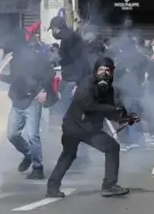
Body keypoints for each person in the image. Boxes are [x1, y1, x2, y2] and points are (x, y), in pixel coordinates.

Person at [46, 56, 135, 198]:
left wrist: (126, 118)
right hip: (76, 125)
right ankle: (109, 185)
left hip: (88, 127)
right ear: (95, 71)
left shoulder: (109, 90)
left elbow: (111, 112)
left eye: (107, 70)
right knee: (110, 147)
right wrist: (113, 110)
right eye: (101, 70)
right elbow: (87, 105)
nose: (104, 73)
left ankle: (52, 187)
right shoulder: (87, 83)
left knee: (69, 155)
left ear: (112, 72)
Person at [0, 36, 54, 179]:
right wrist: (0, 77)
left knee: (32, 136)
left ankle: (37, 167)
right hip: (17, 102)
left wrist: (44, 91)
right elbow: (13, 79)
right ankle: (28, 154)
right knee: (12, 135)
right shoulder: (14, 60)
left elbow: (50, 73)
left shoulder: (37, 59)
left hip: (32, 101)